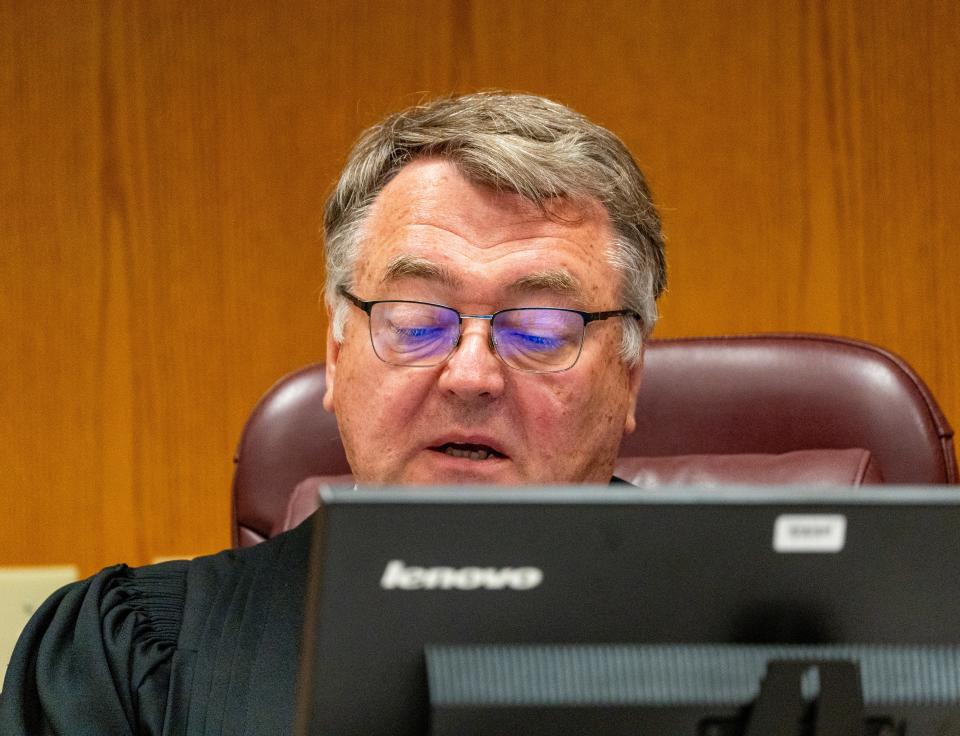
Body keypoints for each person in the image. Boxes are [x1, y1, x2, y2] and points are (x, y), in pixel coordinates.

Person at [0, 92, 666, 735]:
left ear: (628, 375)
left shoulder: (759, 640)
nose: (471, 374)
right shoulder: (126, 659)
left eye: (542, 329)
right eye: (413, 320)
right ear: (337, 350)